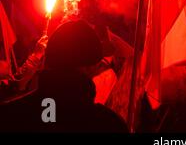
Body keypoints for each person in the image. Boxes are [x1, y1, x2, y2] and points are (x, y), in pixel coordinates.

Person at [0, 20, 128, 132]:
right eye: (98, 64)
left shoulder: (9, 116)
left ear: (47, 59)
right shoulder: (109, 125)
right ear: (90, 67)